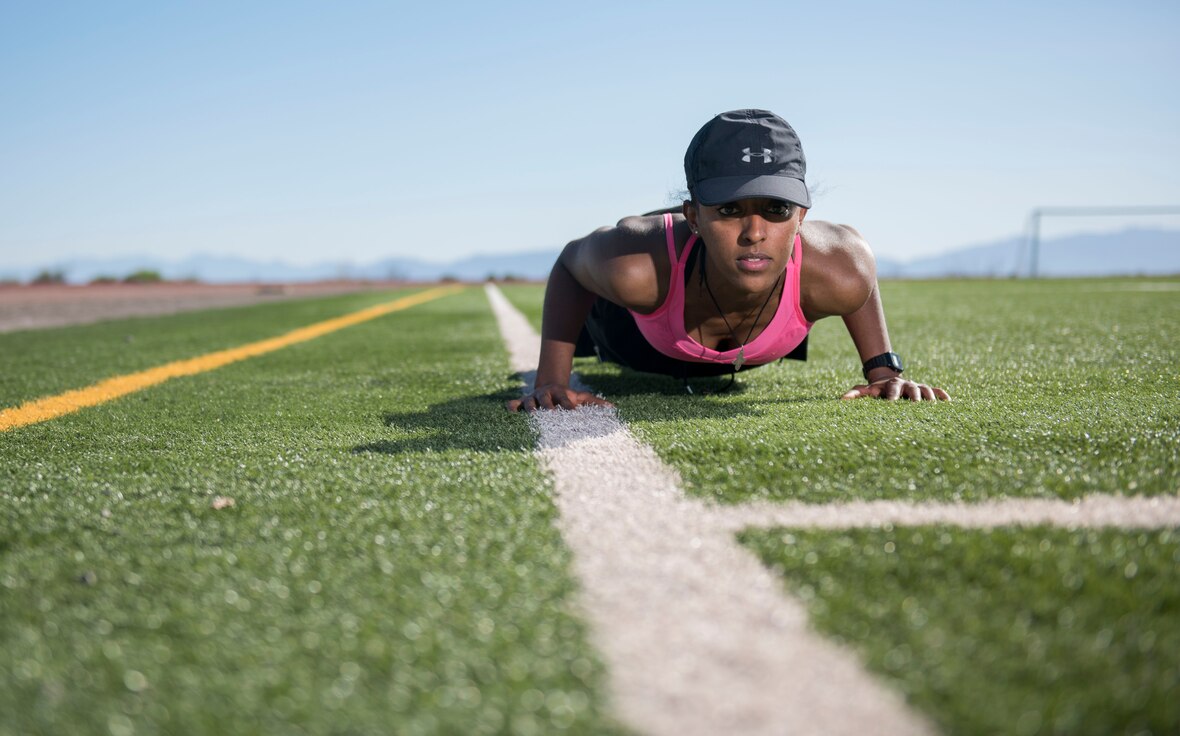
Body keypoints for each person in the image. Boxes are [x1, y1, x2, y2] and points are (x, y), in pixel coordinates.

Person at [507, 109, 949, 412]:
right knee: (624, 281)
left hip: (745, 347)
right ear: (694, 216)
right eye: (729, 209)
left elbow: (863, 279)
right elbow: (570, 262)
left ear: (802, 217)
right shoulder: (634, 265)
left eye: (776, 210)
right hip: (635, 336)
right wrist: (551, 380)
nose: (754, 233)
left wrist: (884, 371)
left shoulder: (840, 267)